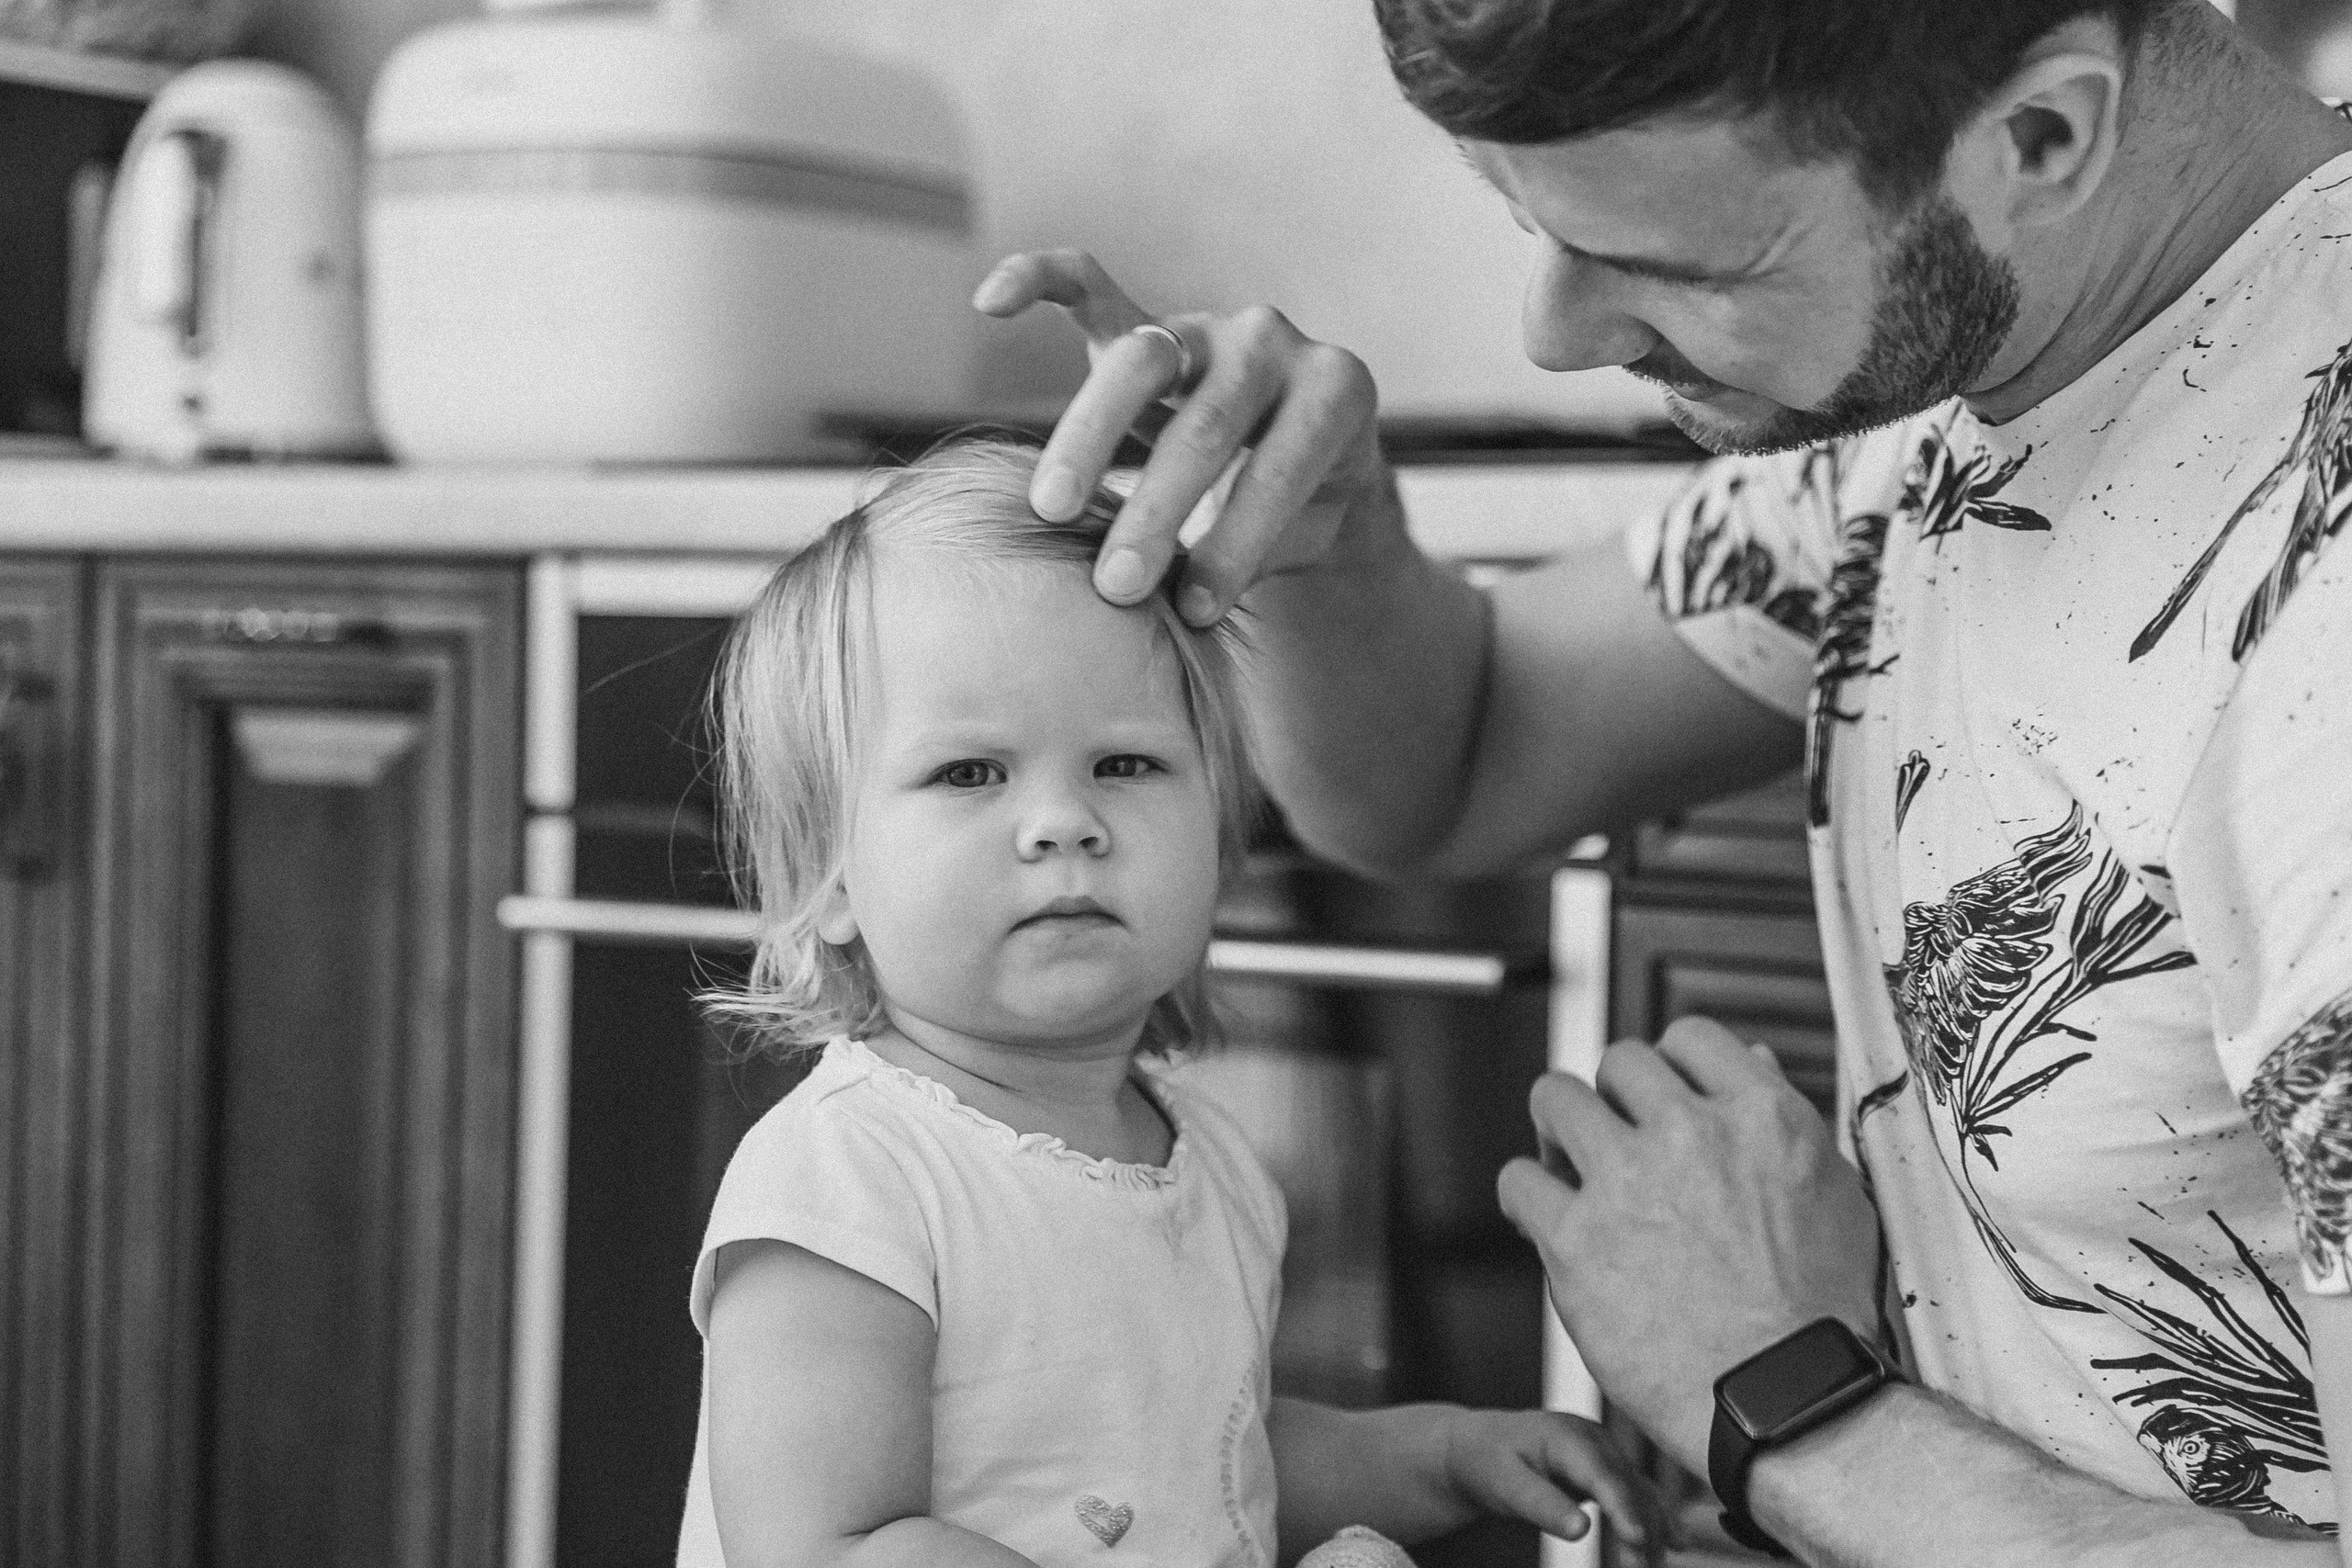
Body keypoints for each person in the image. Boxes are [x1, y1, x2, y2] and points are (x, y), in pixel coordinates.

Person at [967, 0, 2352, 1562]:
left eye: (1677, 266)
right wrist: (1327, 533)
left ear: (2043, 135)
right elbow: (1461, 757)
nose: (1555, 332)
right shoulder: (1981, 370)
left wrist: (1781, 1397)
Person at [673, 438, 1667, 1568]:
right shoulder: (850, 1178)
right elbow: (828, 1547)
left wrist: (1440, 1459)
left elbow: (1211, 1472)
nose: (1064, 822)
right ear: (832, 875)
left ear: (1222, 829)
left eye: (1127, 766)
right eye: (970, 774)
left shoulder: (1215, 1167)